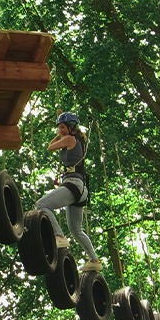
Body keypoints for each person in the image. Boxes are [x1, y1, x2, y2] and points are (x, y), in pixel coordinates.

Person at [34, 112, 103, 272]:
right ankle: (95, 260)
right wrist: (61, 128)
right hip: (80, 189)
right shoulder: (75, 139)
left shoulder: (69, 139)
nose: (61, 130)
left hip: (73, 185)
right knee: (76, 230)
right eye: (59, 128)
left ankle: (59, 236)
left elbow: (50, 147)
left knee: (41, 204)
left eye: (63, 127)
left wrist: (59, 135)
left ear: (71, 127)